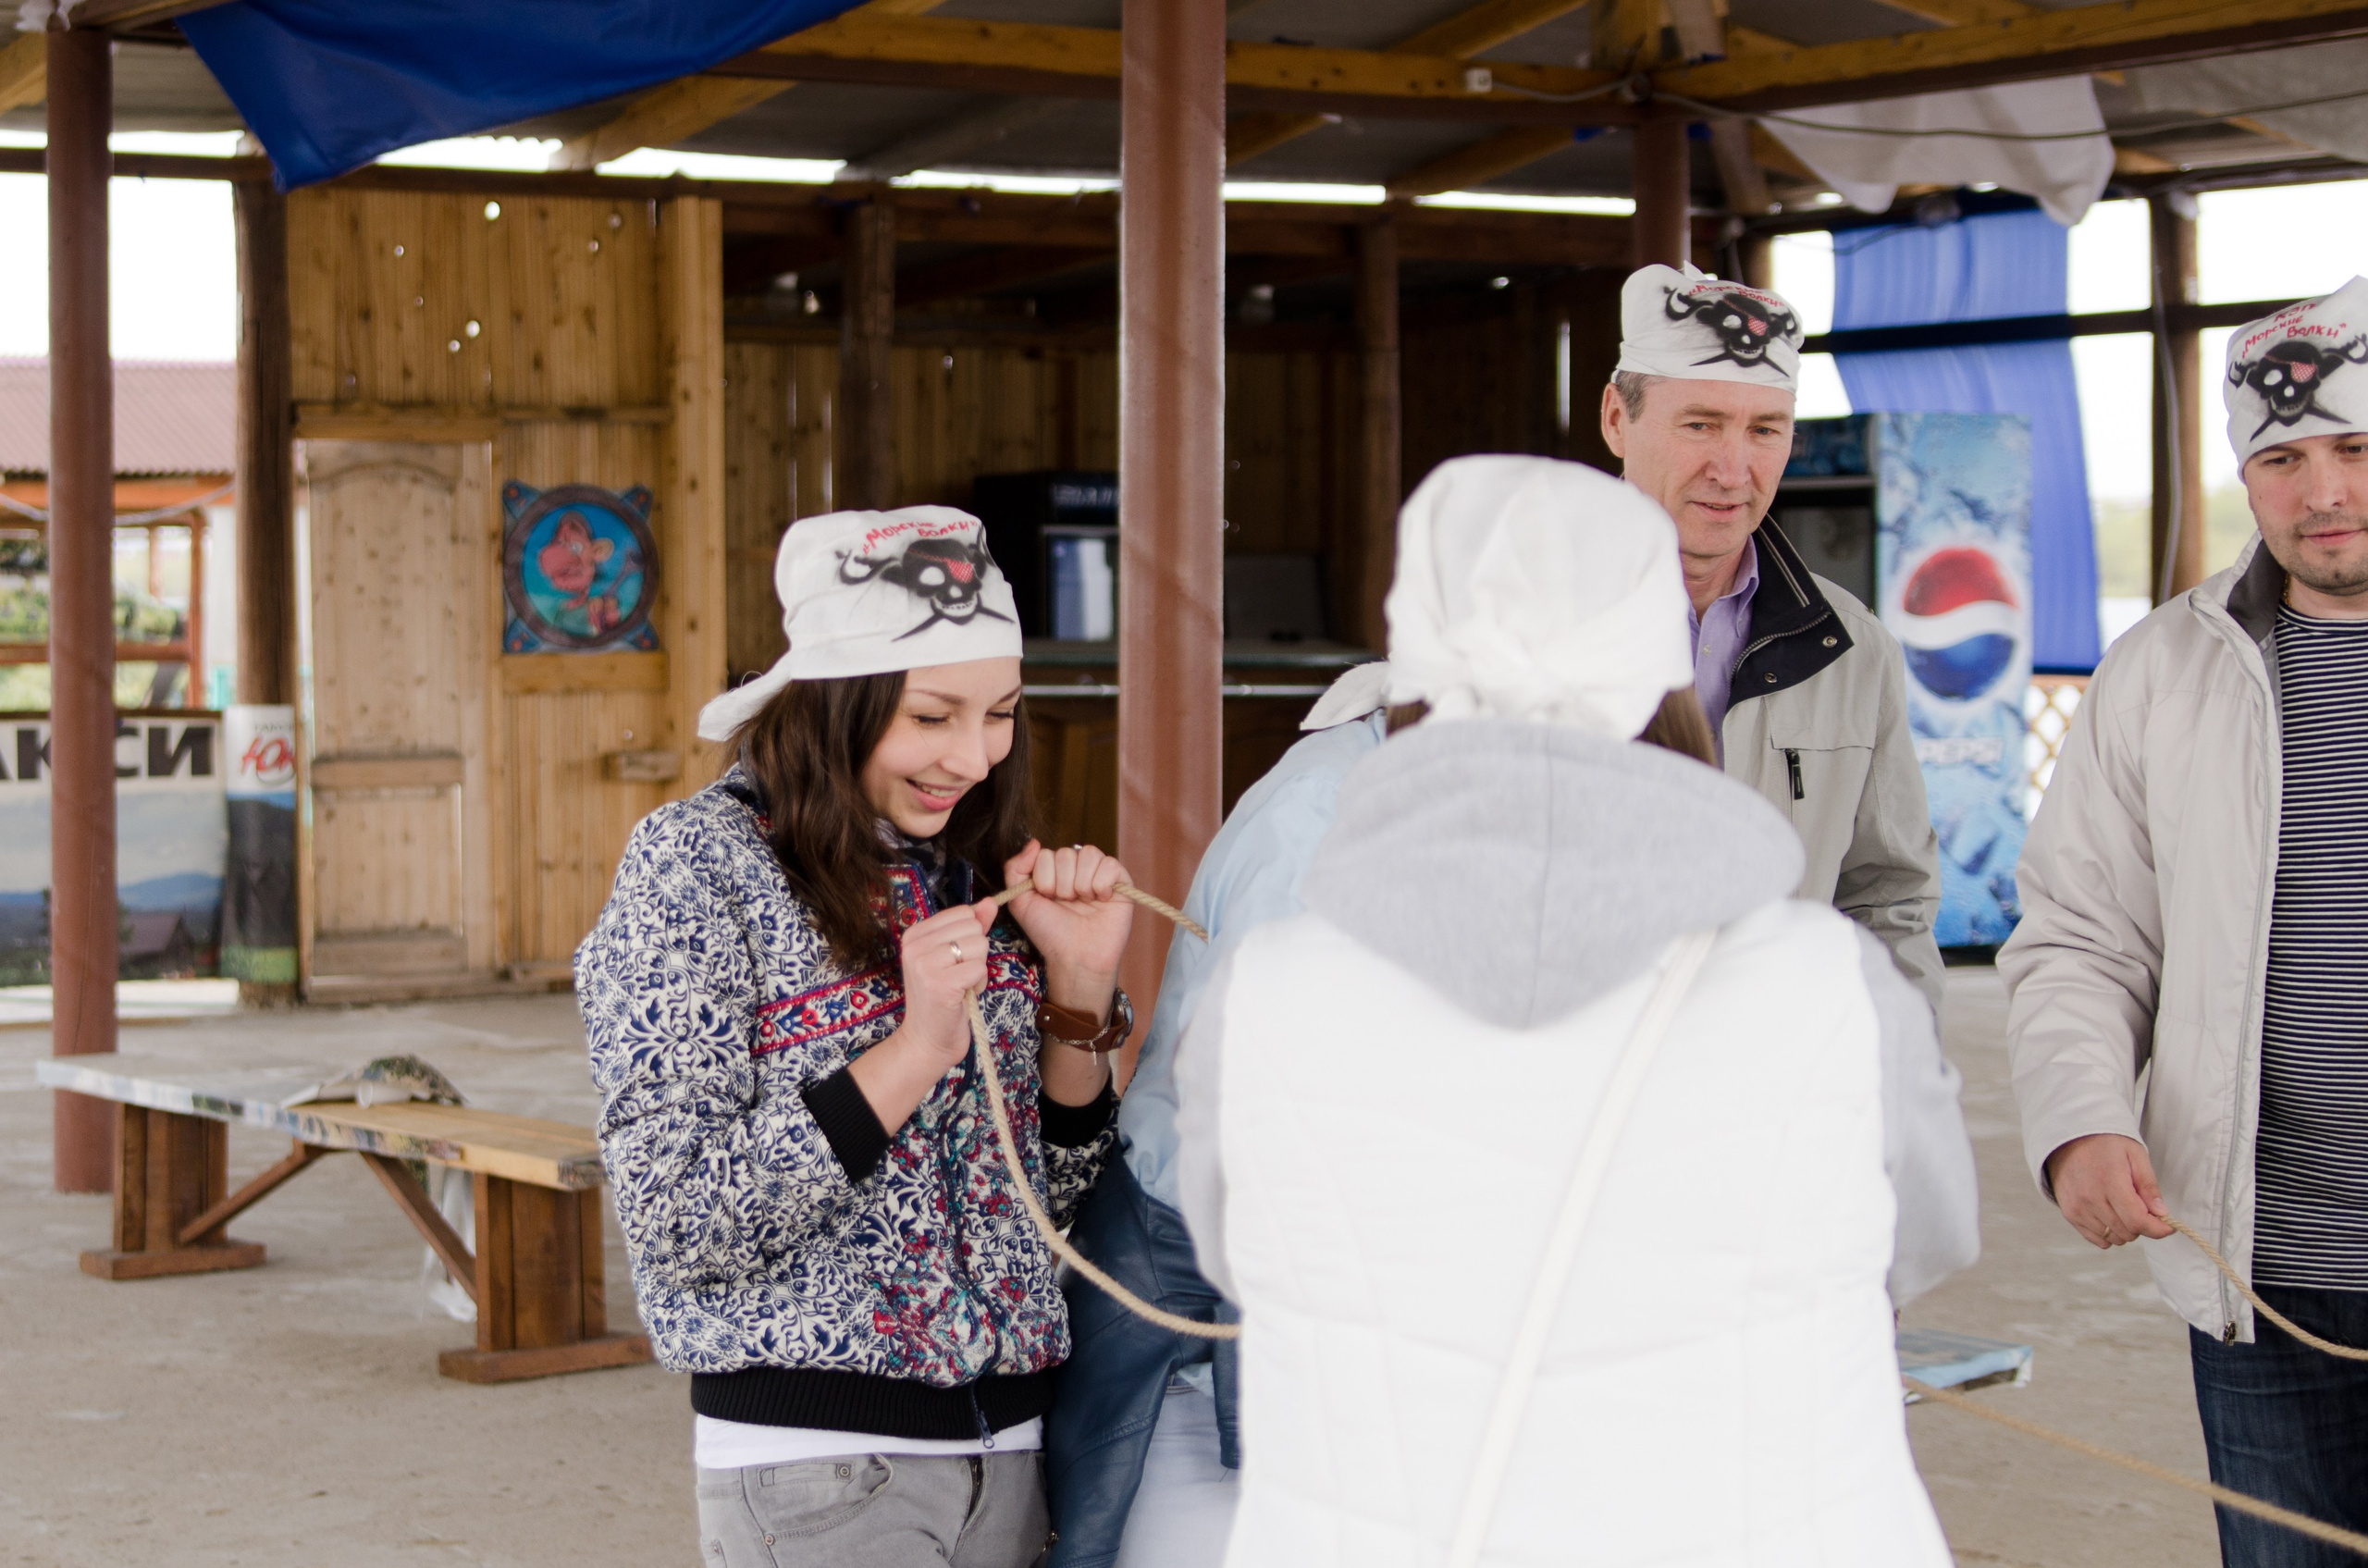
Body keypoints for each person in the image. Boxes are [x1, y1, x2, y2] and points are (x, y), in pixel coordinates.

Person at [1171, 453, 1969, 1567]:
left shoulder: (1275, 989)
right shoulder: (1824, 980)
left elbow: (1232, 1244)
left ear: (1411, 667)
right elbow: (1930, 1235)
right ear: (1665, 677)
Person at [578, 506, 1135, 1568]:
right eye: (932, 716)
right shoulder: (696, 869)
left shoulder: (979, 866)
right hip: (819, 1466)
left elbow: (1056, 1206)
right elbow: (679, 1220)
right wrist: (913, 1050)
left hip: (1019, 1456)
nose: (972, 757)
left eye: (1001, 714)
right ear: (833, 703)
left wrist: (1078, 990)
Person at [2003, 277, 2368, 1567]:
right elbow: (2082, 933)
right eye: (2282, 457)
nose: (2321, 489)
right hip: (2262, 1269)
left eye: (2354, 446)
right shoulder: (2163, 667)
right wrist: (2083, 1116)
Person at [1601, 263, 1946, 1014]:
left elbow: (1887, 900)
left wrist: (1892, 1087)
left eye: (1765, 430)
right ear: (1616, 419)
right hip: (1572, 1088)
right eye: (1701, 423)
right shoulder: (1513, 627)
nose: (1733, 469)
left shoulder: (1849, 645)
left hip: (1774, 1086)